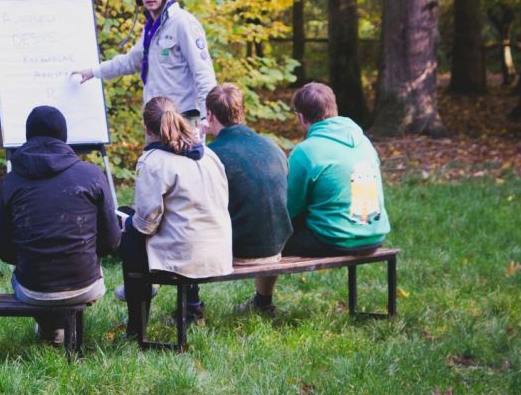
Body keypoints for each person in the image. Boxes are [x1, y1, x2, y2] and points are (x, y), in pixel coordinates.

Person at [251, 83, 391, 309]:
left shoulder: (307, 151)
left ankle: (262, 302)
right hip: (374, 233)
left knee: (271, 234)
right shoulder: (364, 141)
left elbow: (288, 208)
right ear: (334, 108)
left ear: (301, 117)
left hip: (335, 237)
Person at [0, 106, 120, 344]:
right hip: (84, 285)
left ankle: (49, 328)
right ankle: (60, 329)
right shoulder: (91, 175)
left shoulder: (10, 181)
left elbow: (3, 248)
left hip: (32, 288)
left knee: (29, 272)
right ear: (64, 136)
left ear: (28, 135)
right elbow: (111, 241)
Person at [119, 97, 231, 334]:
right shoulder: (209, 155)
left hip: (186, 256)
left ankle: (136, 324)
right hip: (219, 249)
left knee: (130, 236)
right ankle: (185, 302)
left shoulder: (153, 162)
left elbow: (146, 225)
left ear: (146, 128)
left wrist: (126, 222)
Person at [72, 0, 217, 135]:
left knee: (184, 162)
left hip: (183, 119)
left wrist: (207, 115)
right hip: (156, 120)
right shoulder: (151, 28)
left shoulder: (183, 23)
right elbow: (130, 61)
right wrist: (93, 71)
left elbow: (203, 72)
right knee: (154, 162)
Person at [202, 85, 293, 314]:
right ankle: (264, 301)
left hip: (238, 249)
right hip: (276, 244)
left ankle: (191, 307)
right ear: (242, 111)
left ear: (210, 115)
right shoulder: (272, 147)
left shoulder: (212, 155)